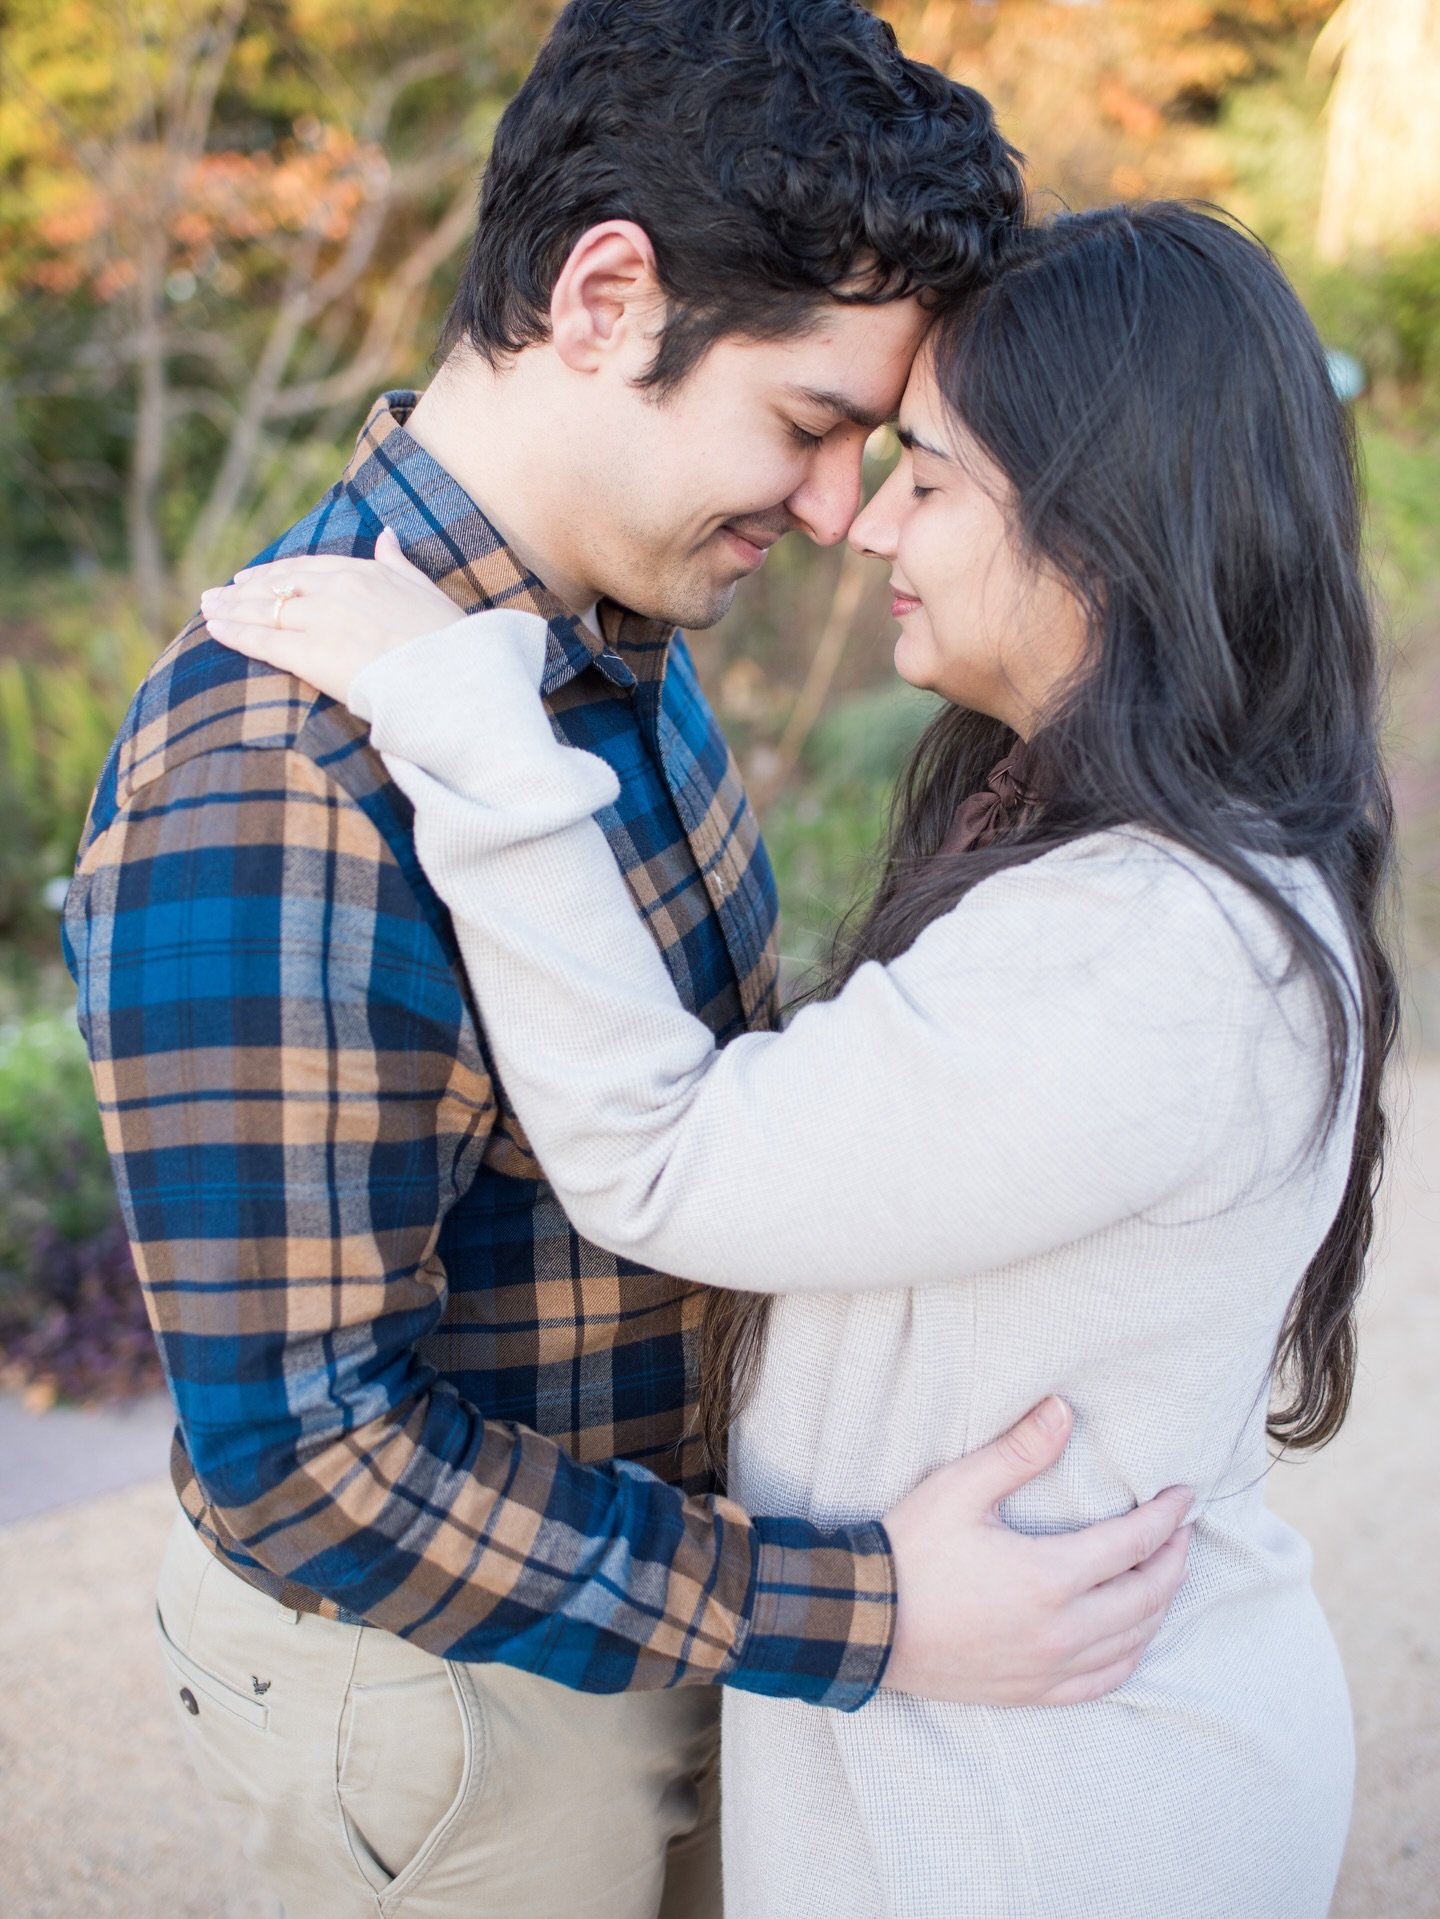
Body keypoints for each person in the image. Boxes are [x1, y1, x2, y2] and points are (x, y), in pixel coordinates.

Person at [62, 6, 1193, 1916]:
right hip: (464, 1703)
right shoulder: (277, 776)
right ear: (604, 298)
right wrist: (867, 1613)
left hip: (668, 1624)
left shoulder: (611, 647)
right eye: (813, 424)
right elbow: (307, 1463)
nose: (839, 513)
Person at [207, 201, 1399, 1919]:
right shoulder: (1144, 868)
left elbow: (666, 1157)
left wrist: (468, 724)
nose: (864, 519)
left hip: (1049, 1812)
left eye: (934, 473)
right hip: (1004, 1759)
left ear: (1109, 536)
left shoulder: (1160, 946)